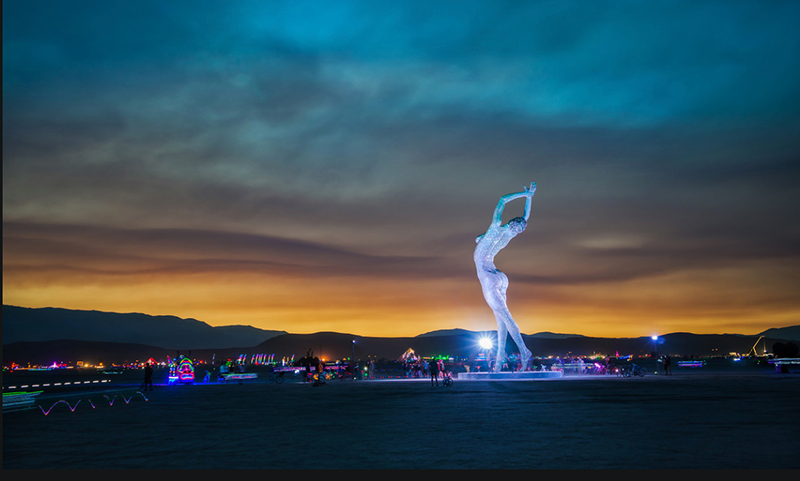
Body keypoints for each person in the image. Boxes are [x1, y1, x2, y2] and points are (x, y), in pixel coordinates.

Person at [475, 182, 537, 372]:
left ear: (510, 223)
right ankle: (499, 360)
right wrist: (529, 197)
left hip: (488, 275)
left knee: (506, 317)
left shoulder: (495, 227)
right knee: (500, 318)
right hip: (499, 276)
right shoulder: (510, 234)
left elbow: (502, 200)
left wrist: (524, 194)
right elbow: (525, 217)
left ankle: (524, 351)